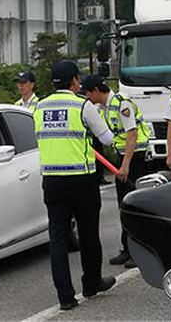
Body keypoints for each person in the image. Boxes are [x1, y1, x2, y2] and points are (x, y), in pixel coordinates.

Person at [33, 60, 116, 310]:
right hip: (81, 179)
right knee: (89, 233)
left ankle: (65, 297)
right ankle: (91, 283)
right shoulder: (83, 106)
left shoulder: (38, 107)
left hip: (52, 181)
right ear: (75, 81)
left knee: (58, 239)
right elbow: (108, 139)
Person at [81, 75, 152, 268]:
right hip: (123, 158)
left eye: (87, 93)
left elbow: (132, 134)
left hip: (135, 157)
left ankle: (140, 252)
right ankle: (127, 249)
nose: (86, 97)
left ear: (96, 90)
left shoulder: (122, 104)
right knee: (124, 205)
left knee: (134, 206)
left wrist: (125, 165)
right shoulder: (103, 107)